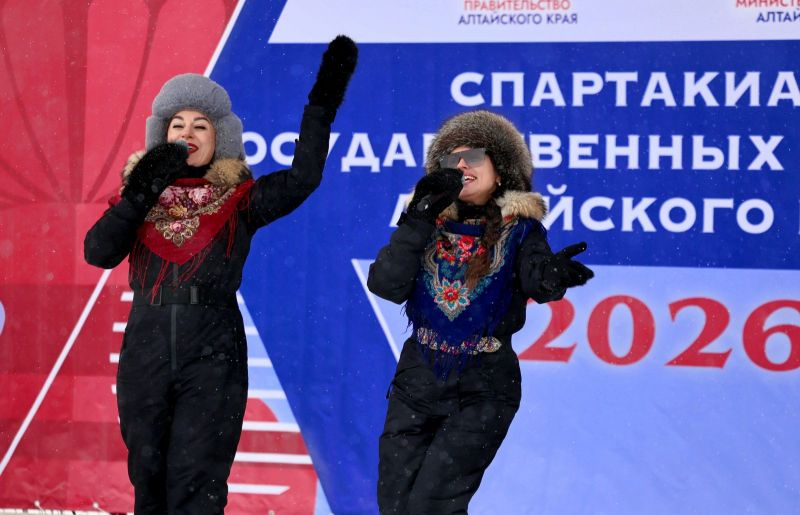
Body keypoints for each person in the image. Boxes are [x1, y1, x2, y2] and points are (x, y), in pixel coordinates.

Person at [84, 36, 357, 514]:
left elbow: (302, 180)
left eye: (201, 125)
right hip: (146, 346)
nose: (187, 132)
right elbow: (99, 252)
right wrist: (144, 187)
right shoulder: (137, 197)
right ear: (161, 135)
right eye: (177, 124)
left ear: (219, 138)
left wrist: (322, 104)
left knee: (196, 481)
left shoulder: (240, 199)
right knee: (148, 480)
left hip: (212, 350)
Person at [368, 110, 594, 514]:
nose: (460, 165)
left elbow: (537, 279)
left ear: (500, 172)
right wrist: (417, 219)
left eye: (472, 156)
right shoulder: (425, 223)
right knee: (395, 505)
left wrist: (553, 274)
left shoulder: (521, 230)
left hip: (483, 388)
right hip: (417, 382)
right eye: (450, 159)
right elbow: (386, 284)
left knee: (432, 506)